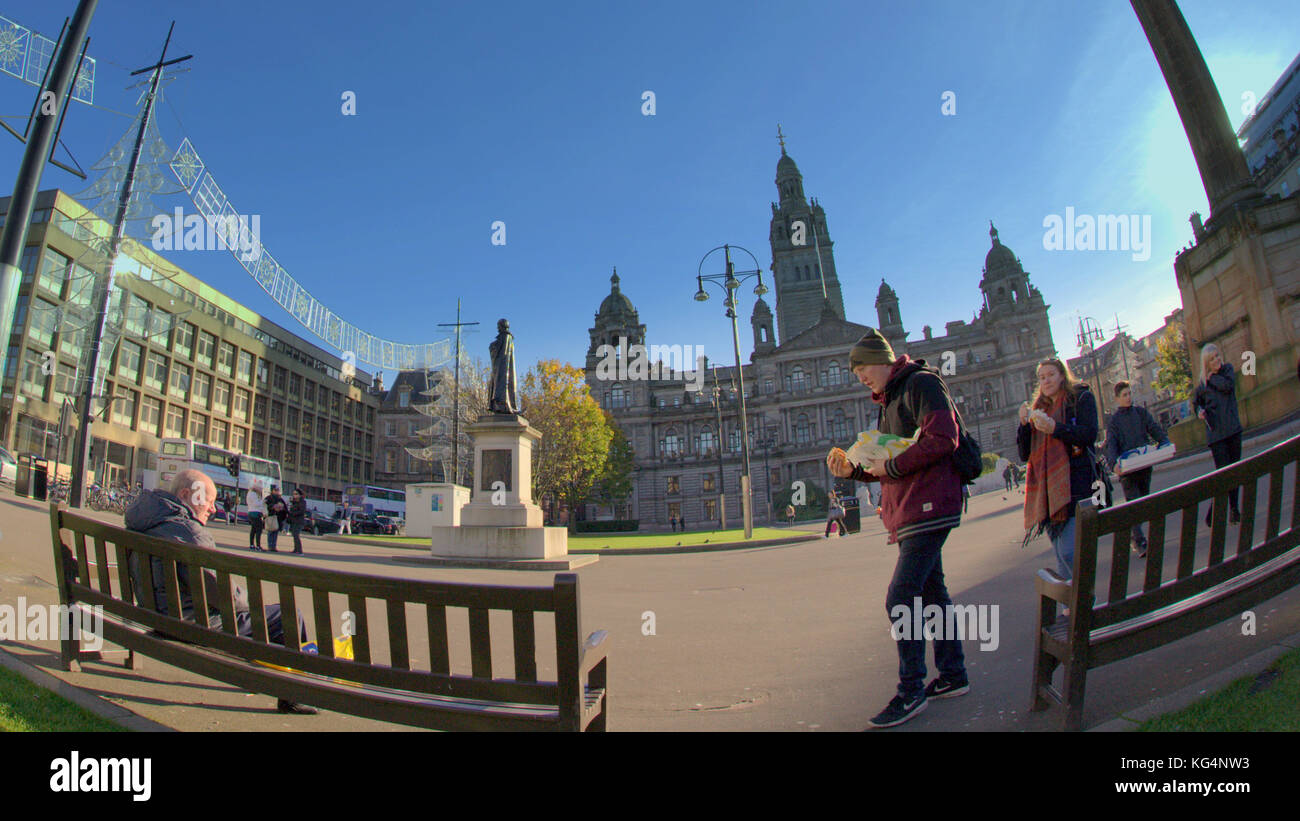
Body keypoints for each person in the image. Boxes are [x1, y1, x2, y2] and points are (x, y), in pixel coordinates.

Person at [826, 329, 968, 729]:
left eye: (863, 369)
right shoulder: (891, 399)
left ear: (884, 359)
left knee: (901, 597)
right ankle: (953, 674)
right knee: (933, 592)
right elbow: (891, 460)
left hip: (929, 504)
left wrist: (888, 467)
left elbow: (944, 439)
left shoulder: (921, 384)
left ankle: (911, 691)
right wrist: (854, 470)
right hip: (912, 506)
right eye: (855, 374)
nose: (861, 378)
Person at [124, 469, 316, 715]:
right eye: (209, 501)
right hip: (188, 623)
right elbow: (224, 595)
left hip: (154, 614)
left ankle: (265, 677)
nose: (213, 509)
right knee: (287, 615)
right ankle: (294, 695)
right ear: (186, 495)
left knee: (262, 618)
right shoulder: (190, 532)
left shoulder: (143, 520)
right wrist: (251, 603)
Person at [1018, 358, 1099, 583]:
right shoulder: (1038, 409)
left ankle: (1083, 601)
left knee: (1068, 552)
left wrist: (1056, 429)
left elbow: (1090, 435)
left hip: (1077, 484)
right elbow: (1025, 454)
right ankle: (1070, 606)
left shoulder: (1081, 398)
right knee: (1060, 553)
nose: (1046, 380)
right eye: (1042, 377)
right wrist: (1024, 425)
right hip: (1046, 490)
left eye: (1051, 375)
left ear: (1062, 375)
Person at [1105, 381, 1170, 557]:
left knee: (1142, 501)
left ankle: (1136, 536)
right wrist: (1113, 464)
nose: (1128, 397)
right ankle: (1140, 540)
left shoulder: (1140, 413)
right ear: (1117, 398)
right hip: (1127, 470)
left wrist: (1164, 442)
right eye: (1124, 395)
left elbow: (1154, 428)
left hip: (1143, 464)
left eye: (1129, 393)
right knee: (1134, 503)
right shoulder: (1114, 422)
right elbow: (1111, 444)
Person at [1193, 343, 1243, 526]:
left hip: (1233, 429)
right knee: (1224, 475)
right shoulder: (1201, 385)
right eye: (1212, 358)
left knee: (1234, 472)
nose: (1217, 360)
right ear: (1206, 362)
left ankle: (1232, 508)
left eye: (1217, 356)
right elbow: (1196, 403)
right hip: (1216, 435)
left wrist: (1212, 377)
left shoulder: (1227, 371)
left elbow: (1227, 387)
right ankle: (1230, 510)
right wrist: (1199, 411)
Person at [264, 485, 287, 551]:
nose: (277, 492)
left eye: (277, 490)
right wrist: (273, 507)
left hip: (278, 518)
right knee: (270, 531)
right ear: (272, 490)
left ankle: (273, 546)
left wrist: (281, 508)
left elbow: (285, 509)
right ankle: (270, 546)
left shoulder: (280, 499)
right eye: (275, 490)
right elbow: (265, 506)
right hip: (270, 517)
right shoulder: (268, 498)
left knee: (275, 532)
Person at [287, 488, 308, 555]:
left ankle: (299, 550)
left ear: (300, 495)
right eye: (293, 494)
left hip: (299, 520)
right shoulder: (293, 502)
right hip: (293, 521)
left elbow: (302, 511)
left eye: (296, 494)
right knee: (294, 534)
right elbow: (290, 509)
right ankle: (296, 549)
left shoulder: (302, 502)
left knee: (296, 535)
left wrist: (293, 513)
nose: (294, 496)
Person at [246, 482, 264, 550]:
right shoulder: (253, 494)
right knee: (259, 530)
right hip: (255, 513)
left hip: (251, 512)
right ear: (257, 488)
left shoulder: (250, 493)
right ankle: (258, 546)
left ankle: (252, 544)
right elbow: (256, 503)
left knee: (253, 530)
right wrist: (263, 501)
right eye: (260, 488)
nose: (261, 490)